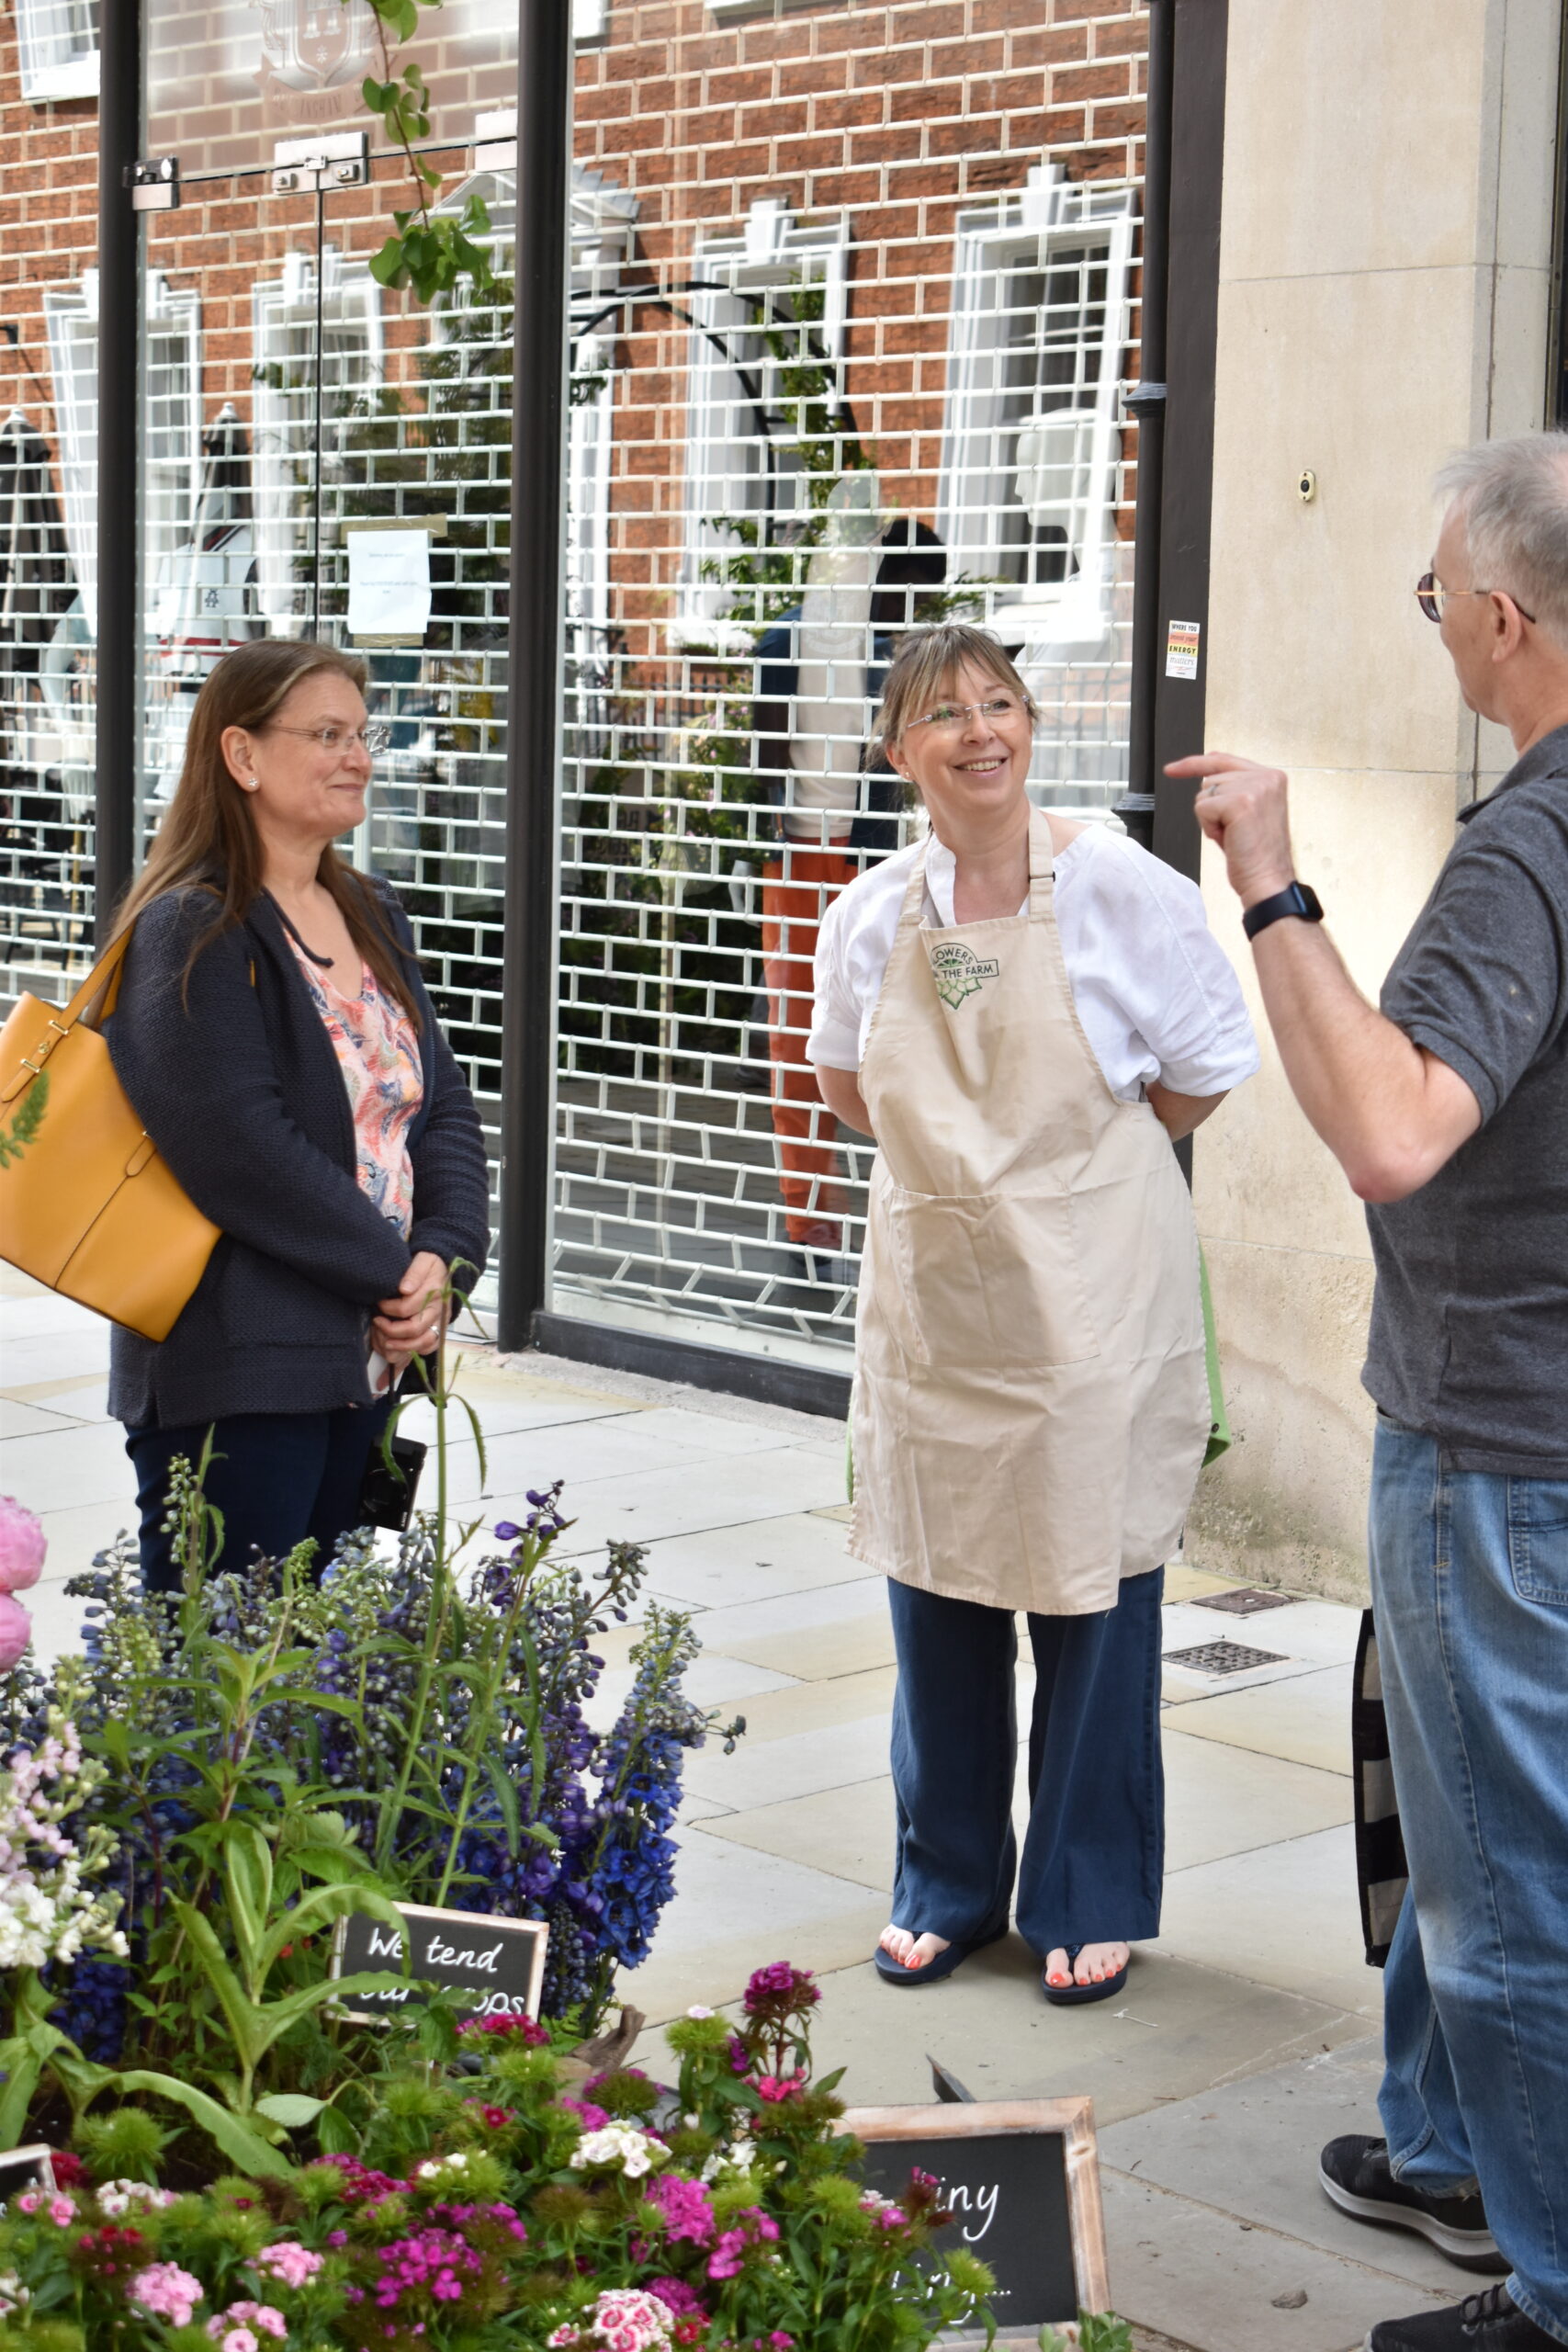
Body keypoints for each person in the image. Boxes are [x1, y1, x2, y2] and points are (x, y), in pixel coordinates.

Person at [1172, 432, 1568, 2352]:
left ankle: (1551, 2277)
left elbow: (1395, 1127)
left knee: (1503, 1882)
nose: (1435, 635)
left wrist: (1272, 889)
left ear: (1501, 618)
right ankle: (1434, 2135)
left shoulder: (1529, 847)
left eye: (1434, 605)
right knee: (1462, 1803)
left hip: (1503, 1440)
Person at [809, 622, 1258, 2001]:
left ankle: (1082, 1893)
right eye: (942, 713)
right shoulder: (871, 913)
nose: (978, 731)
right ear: (899, 752)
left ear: (1029, 724)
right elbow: (847, 1084)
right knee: (935, 1595)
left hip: (1089, 1300)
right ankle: (945, 1884)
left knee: (1094, 1597)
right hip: (942, 1309)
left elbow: (1201, 1066)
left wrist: (1070, 1178)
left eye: (997, 702)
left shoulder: (1117, 883)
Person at [106, 637, 491, 1592]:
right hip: (242, 1374)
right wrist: (396, 1274)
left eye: (364, 733)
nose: (359, 755)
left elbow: (438, 1106)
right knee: (227, 1703)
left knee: (328, 1687)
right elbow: (241, 1149)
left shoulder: (369, 908)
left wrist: (444, 1258)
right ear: (241, 756)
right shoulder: (191, 927)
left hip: (367, 1362)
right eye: (327, 733)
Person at [751, 492, 946, 1282]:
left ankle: (830, 1218)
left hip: (846, 865)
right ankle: (812, 1222)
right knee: (814, 1040)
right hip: (809, 863)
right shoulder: (813, 647)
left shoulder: (872, 656)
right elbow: (764, 758)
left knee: (849, 1036)